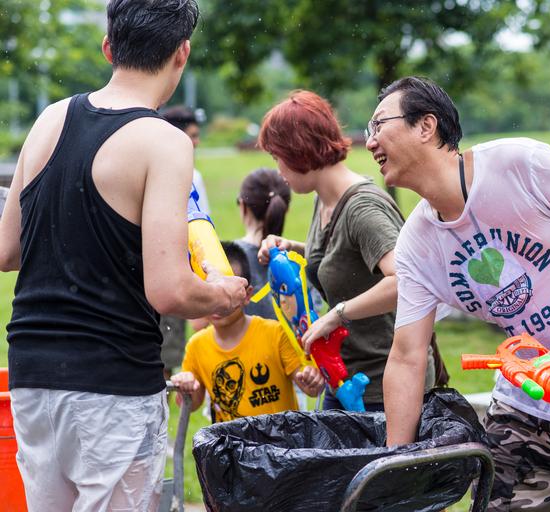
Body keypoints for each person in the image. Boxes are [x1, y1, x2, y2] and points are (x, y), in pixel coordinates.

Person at [368, 77, 550, 511]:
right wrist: (394, 468)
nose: (370, 142)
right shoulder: (417, 244)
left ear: (426, 126)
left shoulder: (520, 164)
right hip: (525, 394)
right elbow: (406, 356)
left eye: (379, 125)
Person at [0, 1, 249, 510]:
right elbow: (169, 290)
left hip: (32, 373)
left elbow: (7, 251)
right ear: (182, 53)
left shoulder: (49, 119)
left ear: (108, 47)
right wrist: (222, 294)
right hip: (111, 381)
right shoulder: (164, 142)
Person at [257, 90, 434, 412]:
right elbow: (346, 259)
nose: (278, 169)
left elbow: (405, 281)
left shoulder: (363, 208)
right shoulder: (324, 199)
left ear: (298, 151)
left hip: (384, 387)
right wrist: (294, 248)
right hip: (342, 378)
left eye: (277, 156)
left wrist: (336, 314)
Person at [171, 242, 323, 422]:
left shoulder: (275, 334)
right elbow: (189, 404)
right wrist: (185, 386)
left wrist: (312, 379)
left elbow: (309, 388)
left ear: (247, 294)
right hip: (230, 440)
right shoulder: (197, 346)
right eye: (210, 292)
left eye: (226, 292)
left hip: (281, 439)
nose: (218, 302)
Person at [159, 105, 209, 378]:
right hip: (167, 271)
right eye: (192, 136)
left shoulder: (192, 174)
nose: (196, 142)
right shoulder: (180, 175)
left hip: (177, 272)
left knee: (168, 354)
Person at [236, 167, 292, 319]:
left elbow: (198, 322)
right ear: (286, 209)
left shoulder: (227, 257)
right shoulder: (300, 261)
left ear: (243, 206)